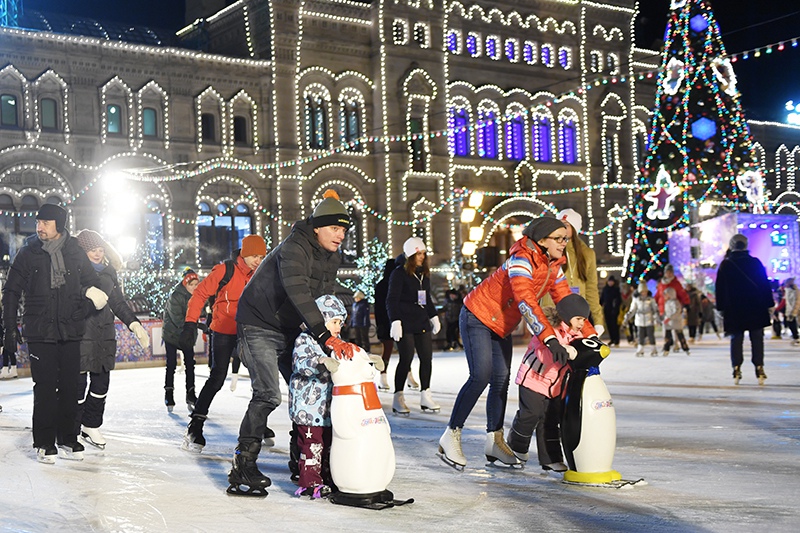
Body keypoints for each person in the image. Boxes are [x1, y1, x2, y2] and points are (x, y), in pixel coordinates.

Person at [438, 216, 598, 469]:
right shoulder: (521, 259)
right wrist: (550, 339)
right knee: (481, 376)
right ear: (542, 240)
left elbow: (567, 301)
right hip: (477, 316)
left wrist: (590, 338)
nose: (564, 243)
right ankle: (451, 434)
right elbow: (525, 300)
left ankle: (494, 440)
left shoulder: (553, 266)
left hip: (501, 325)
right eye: (559, 238)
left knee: (500, 381)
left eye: (566, 238)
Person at [228, 189, 359, 496]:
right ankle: (243, 463)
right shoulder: (294, 247)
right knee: (269, 394)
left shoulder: (331, 255)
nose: (340, 235)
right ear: (317, 227)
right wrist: (325, 337)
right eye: (335, 228)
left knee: (308, 390)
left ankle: (301, 458)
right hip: (258, 322)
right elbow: (298, 289)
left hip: (290, 327)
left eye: (344, 229)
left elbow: (324, 297)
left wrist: (338, 327)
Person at [1, 204, 109, 463]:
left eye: (46, 223)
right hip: (40, 331)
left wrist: (81, 308)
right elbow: (12, 292)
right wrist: (9, 331)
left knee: (71, 387)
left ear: (59, 225)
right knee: (46, 388)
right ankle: (45, 442)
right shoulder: (29, 253)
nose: (40, 227)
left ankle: (68, 438)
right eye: (38, 222)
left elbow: (91, 285)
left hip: (71, 329)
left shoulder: (75, 253)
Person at [181, 235, 267, 453]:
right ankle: (196, 425)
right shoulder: (224, 271)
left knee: (261, 376)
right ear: (245, 254)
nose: (258, 260)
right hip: (223, 331)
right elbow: (200, 294)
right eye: (255, 256)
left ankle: (258, 422)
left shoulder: (260, 273)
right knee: (218, 376)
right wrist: (191, 322)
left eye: (262, 256)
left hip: (248, 331)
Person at [74, 229, 150, 449]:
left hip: (104, 334)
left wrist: (134, 324)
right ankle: (72, 427)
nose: (97, 254)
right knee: (77, 386)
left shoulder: (109, 273)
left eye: (99, 250)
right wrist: (85, 291)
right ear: (82, 252)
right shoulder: (73, 272)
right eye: (92, 251)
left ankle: (91, 425)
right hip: (80, 333)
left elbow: (117, 302)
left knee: (101, 385)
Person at [507, 294, 593, 472]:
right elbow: (543, 355)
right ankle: (516, 447)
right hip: (533, 379)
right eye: (578, 319)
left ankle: (551, 458)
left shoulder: (576, 337)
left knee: (551, 420)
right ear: (567, 316)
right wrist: (561, 350)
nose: (581, 324)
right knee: (531, 414)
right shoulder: (548, 330)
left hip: (555, 386)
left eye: (584, 320)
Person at [290, 295, 347, 499]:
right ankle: (309, 482)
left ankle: (328, 477)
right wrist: (320, 362)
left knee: (329, 445)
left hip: (329, 410)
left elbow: (349, 360)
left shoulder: (336, 343)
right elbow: (301, 364)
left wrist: (366, 361)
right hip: (308, 409)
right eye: (334, 321)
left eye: (340, 322)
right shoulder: (305, 340)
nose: (338, 326)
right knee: (312, 445)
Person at [387, 237, 441, 415]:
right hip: (405, 323)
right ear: (410, 254)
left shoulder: (424, 275)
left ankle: (426, 395)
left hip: (421, 322)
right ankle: (398, 396)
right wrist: (395, 321)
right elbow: (392, 300)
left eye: (424, 253)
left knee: (427, 358)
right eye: (419, 253)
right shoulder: (399, 274)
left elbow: (426, 298)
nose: (422, 257)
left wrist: (433, 316)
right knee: (406, 358)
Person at [715, 234, 774, 385]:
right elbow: (764, 284)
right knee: (757, 338)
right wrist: (769, 304)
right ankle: (759, 367)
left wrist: (721, 308)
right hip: (755, 306)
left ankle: (736, 367)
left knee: (736, 339)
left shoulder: (726, 265)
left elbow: (720, 289)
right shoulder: (755, 263)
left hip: (734, 309)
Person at [542, 209, 604, 330]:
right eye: (558, 224)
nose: (561, 228)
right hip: (550, 313)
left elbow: (591, 289)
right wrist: (533, 316)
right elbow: (539, 283)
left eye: (565, 225)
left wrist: (598, 320)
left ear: (575, 229)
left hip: (575, 316)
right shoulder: (548, 250)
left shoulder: (587, 254)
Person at [162, 269, 200, 413]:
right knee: (171, 364)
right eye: (192, 284)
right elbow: (177, 319)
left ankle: (191, 394)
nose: (195, 287)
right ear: (185, 284)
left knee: (190, 364)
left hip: (187, 333)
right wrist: (194, 326)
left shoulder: (197, 296)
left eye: (197, 284)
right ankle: (169, 394)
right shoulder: (175, 296)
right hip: (172, 334)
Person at [655, 264, 689, 351]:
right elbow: (658, 295)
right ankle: (667, 343)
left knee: (675, 327)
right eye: (667, 272)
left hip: (673, 308)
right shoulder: (661, 284)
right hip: (663, 308)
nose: (669, 274)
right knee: (666, 327)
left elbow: (682, 294)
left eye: (670, 272)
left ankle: (675, 343)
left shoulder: (676, 283)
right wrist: (653, 301)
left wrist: (686, 303)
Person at [373, 259, 396, 391]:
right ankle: (383, 375)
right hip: (387, 323)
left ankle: (384, 376)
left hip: (388, 322)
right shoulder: (385, 285)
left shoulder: (383, 284)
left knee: (405, 351)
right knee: (388, 350)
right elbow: (379, 308)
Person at [625, 283, 659, 357]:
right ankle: (640, 349)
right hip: (639, 320)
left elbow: (655, 309)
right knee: (640, 335)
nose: (644, 293)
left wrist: (657, 318)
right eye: (642, 292)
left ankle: (653, 349)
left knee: (650, 335)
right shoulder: (636, 300)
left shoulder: (651, 299)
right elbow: (632, 310)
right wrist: (627, 318)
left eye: (645, 292)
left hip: (649, 319)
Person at [662, 287, 690, 356]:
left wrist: (669, 317)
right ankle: (666, 348)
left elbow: (677, 311)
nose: (665, 296)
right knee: (667, 336)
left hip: (676, 321)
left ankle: (685, 348)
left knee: (680, 335)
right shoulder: (667, 302)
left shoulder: (675, 302)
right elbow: (666, 312)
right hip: (669, 322)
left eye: (666, 294)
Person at [600, 276, 622, 346]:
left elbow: (619, 300)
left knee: (615, 326)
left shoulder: (616, 289)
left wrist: (616, 308)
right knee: (609, 325)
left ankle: (616, 340)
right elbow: (602, 299)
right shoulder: (605, 289)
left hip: (614, 310)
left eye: (612, 281)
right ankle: (612, 339)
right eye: (609, 281)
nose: (610, 283)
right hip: (607, 309)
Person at [782, 278, 800, 345]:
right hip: (790, 310)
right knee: (791, 323)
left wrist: (794, 311)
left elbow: (797, 301)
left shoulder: (795, 291)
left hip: (795, 310)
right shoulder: (787, 290)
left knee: (793, 323)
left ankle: (796, 337)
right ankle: (795, 337)